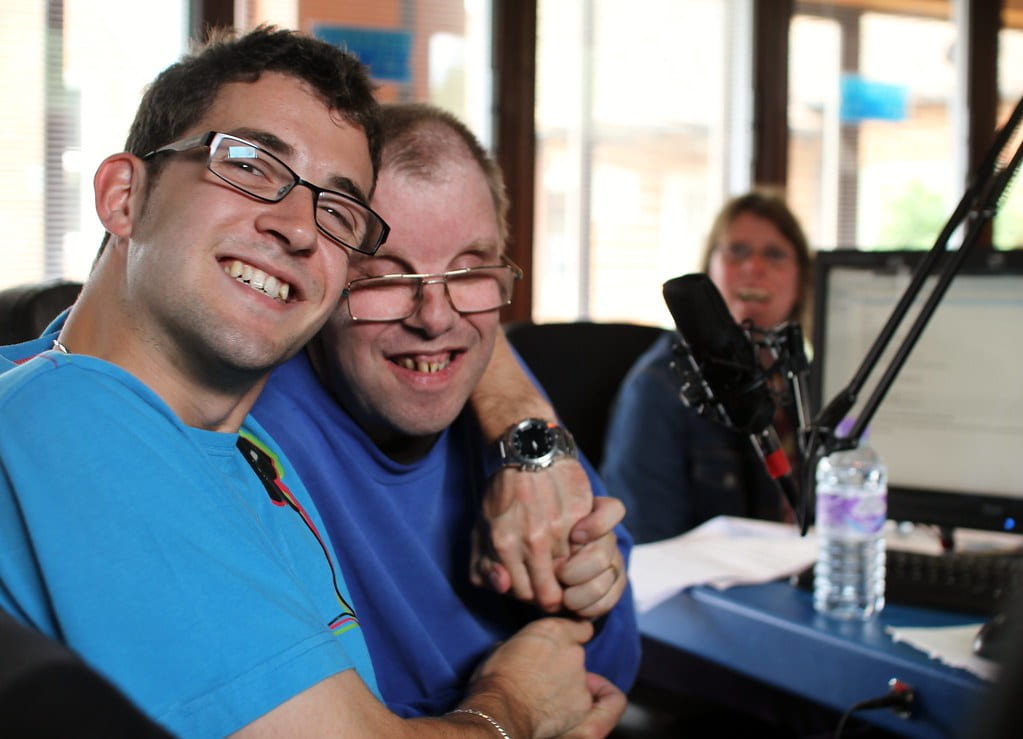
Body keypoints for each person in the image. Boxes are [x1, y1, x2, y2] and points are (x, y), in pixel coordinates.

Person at [0, 27, 623, 737]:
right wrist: (512, 704)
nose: (300, 228)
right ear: (123, 196)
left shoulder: (242, 446)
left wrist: (522, 429)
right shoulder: (82, 416)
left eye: (337, 209)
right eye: (252, 166)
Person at [251, 102, 640, 717]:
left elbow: (610, 677)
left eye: (470, 271)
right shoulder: (250, 432)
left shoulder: (513, 422)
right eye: (385, 278)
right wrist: (510, 703)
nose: (436, 319)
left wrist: (585, 592)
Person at [601, 189, 813, 543]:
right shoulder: (659, 386)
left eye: (774, 254)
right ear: (710, 269)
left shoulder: (806, 384)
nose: (754, 267)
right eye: (738, 251)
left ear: (802, 280)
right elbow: (648, 543)